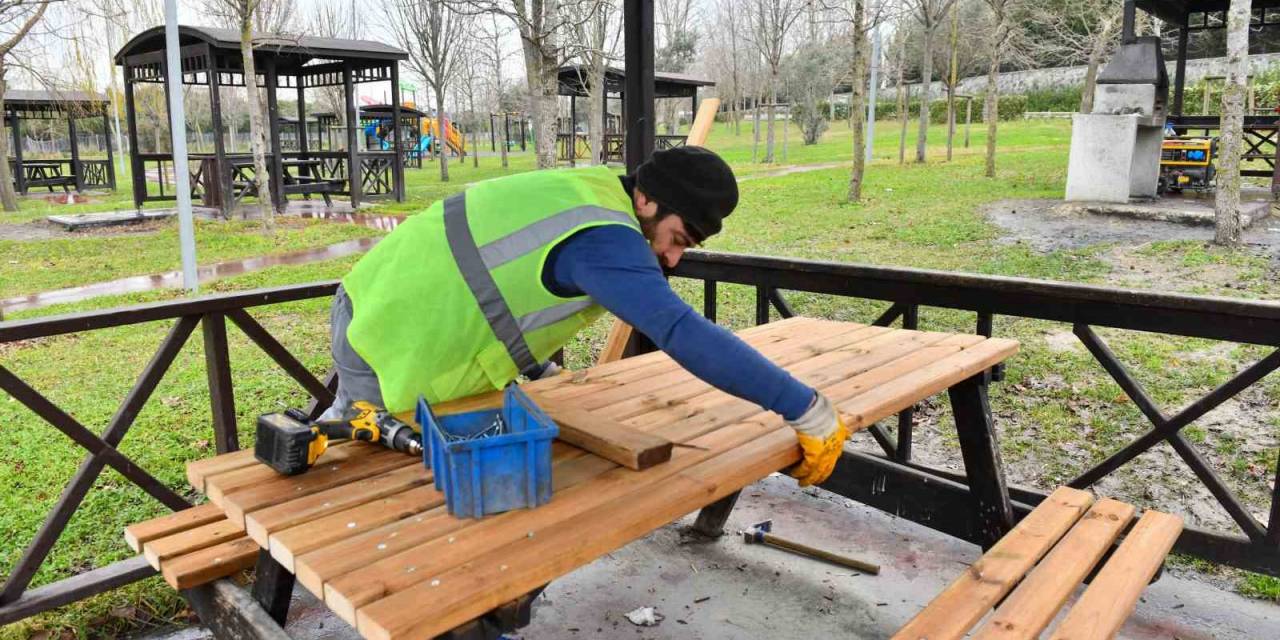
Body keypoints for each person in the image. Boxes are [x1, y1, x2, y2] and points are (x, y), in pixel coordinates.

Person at [325, 146, 847, 486]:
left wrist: (536, 367)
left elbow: (501, 276)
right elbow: (679, 330)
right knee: (373, 486)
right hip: (388, 330)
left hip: (383, 297)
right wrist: (804, 407)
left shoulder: (593, 192)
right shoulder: (606, 241)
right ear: (646, 200)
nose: (672, 259)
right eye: (677, 239)